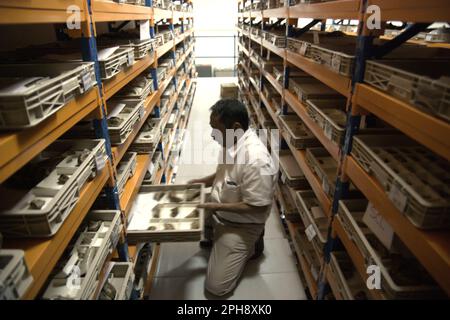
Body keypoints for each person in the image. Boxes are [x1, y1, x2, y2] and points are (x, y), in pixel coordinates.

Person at [189, 99, 277, 297]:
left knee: (216, 287)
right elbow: (223, 174)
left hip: (242, 225)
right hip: (221, 210)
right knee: (187, 221)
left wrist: (212, 206)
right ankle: (216, 232)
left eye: (216, 129)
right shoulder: (232, 141)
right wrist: (201, 182)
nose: (212, 135)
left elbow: (257, 208)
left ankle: (253, 245)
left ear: (236, 127)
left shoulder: (256, 160)